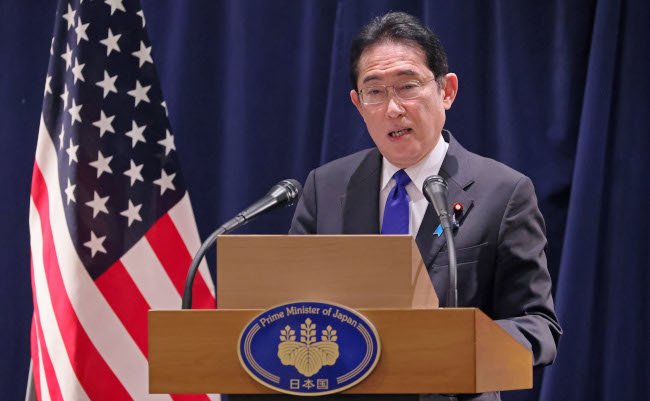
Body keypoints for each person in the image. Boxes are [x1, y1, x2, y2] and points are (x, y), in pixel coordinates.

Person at [289, 11, 562, 401]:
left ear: (446, 91)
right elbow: (290, 306)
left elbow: (537, 326)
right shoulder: (325, 187)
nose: (393, 109)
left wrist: (458, 346)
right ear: (358, 104)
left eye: (407, 86)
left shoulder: (503, 193)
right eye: (375, 91)